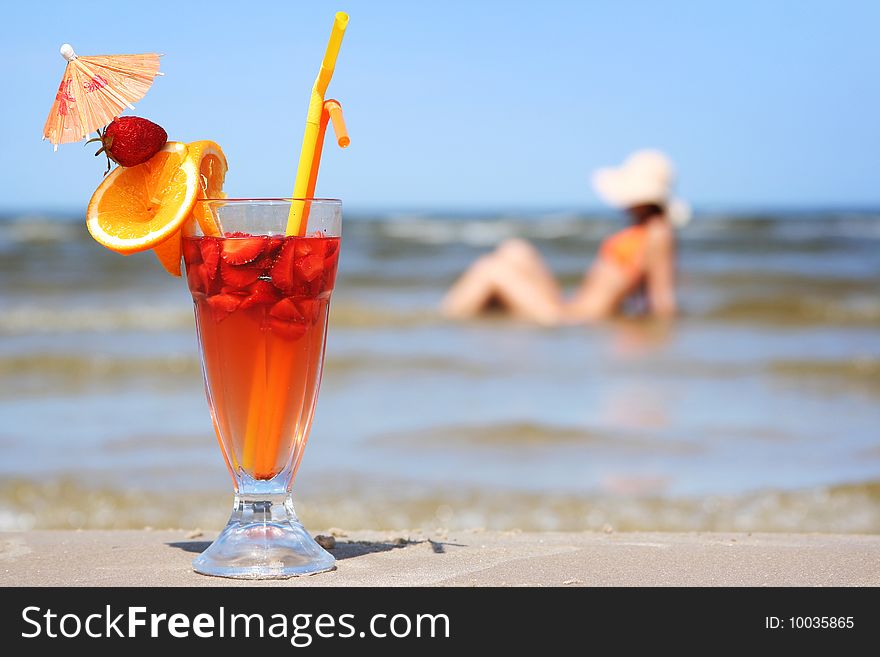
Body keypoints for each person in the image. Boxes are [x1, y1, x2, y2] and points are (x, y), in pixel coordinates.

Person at [441, 149, 690, 325]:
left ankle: (443, 324)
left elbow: (662, 299)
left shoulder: (659, 233)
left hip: (576, 320)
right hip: (571, 307)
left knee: (490, 269)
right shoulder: (643, 230)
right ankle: (462, 318)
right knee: (516, 249)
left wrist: (665, 333)